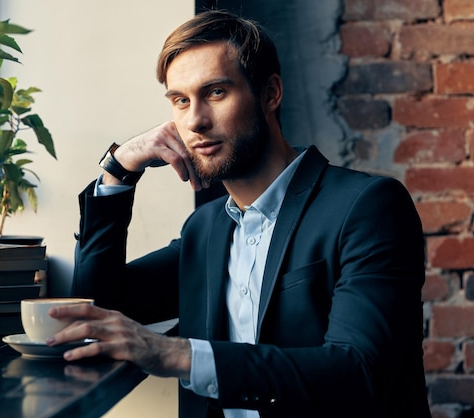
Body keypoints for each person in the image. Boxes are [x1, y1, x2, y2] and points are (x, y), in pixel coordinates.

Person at [47, 9, 431, 417]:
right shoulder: (204, 230)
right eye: (180, 100)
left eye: (215, 92)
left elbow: (361, 371)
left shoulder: (368, 206)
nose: (195, 120)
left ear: (270, 94)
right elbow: (96, 307)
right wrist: (120, 169)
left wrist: (177, 355)